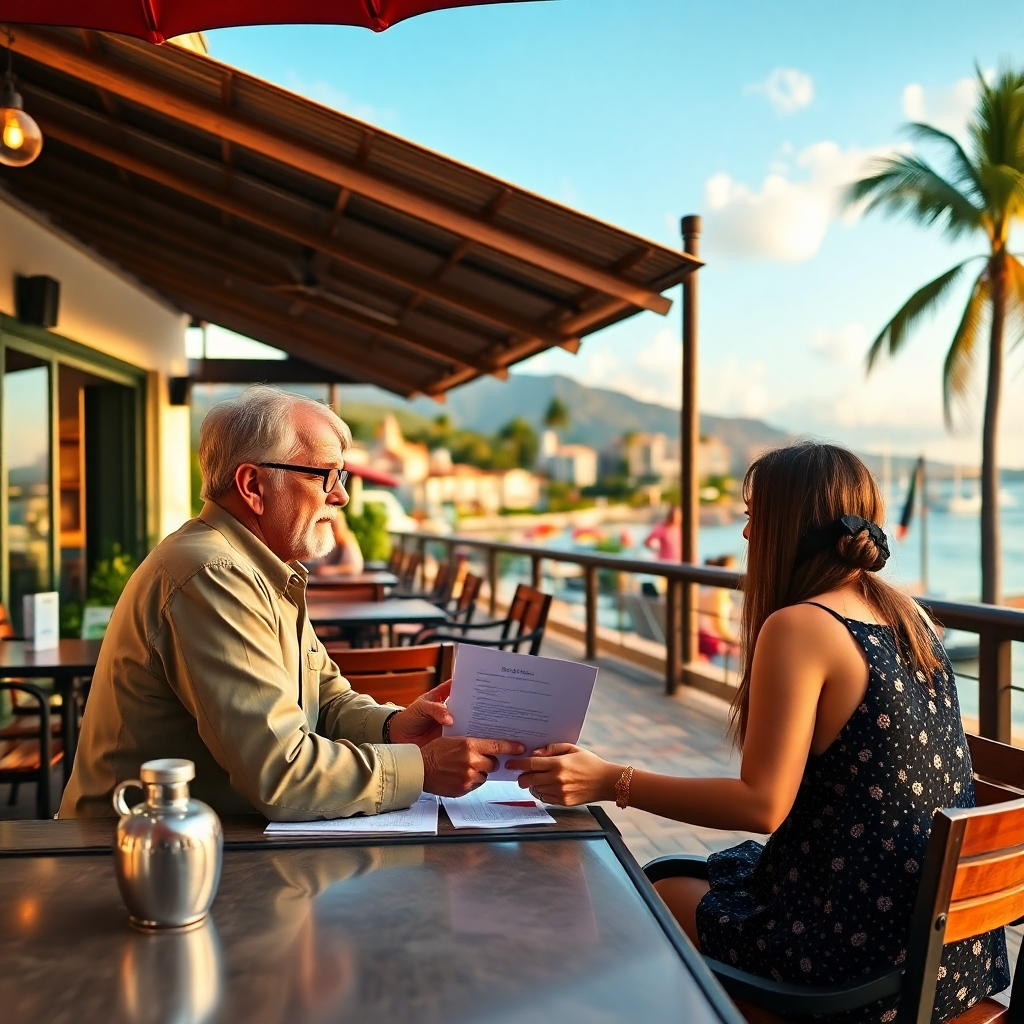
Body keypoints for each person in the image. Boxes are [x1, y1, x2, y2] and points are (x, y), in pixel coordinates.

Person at [509, 442, 1008, 1022]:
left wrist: (610, 779)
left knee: (645, 894)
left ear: (788, 526)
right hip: (949, 952)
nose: (745, 536)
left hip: (861, 966)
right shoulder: (907, 614)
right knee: (679, 874)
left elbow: (763, 805)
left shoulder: (802, 626)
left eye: (753, 517)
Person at [60, 386, 521, 819]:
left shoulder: (262, 567)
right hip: (130, 857)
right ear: (253, 486)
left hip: (214, 842)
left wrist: (394, 727)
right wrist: (423, 768)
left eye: (341, 476)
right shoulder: (214, 575)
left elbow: (326, 697)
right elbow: (280, 774)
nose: (340, 495)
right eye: (324, 475)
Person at [697, 554, 740, 660]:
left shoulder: (711, 589)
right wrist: (737, 641)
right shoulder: (720, 593)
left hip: (702, 636)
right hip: (708, 640)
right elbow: (720, 626)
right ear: (726, 567)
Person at [307, 508, 364, 576]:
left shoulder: (347, 542)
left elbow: (355, 567)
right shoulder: (327, 542)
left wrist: (332, 570)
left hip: (341, 583)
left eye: (332, 525)